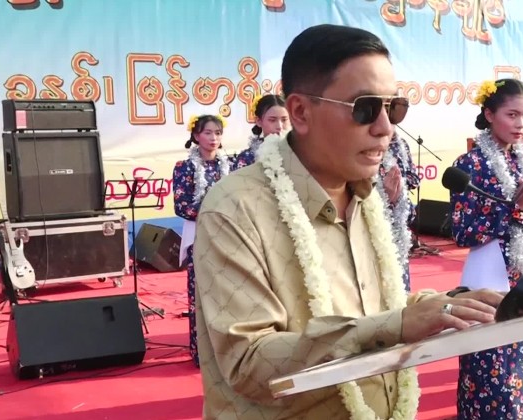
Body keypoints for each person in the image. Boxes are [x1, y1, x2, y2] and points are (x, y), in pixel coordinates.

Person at [192, 24, 503, 420]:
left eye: (394, 108)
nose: (386, 127)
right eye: (365, 108)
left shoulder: (364, 196)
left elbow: (378, 310)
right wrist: (396, 325)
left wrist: (445, 307)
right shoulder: (236, 208)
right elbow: (249, 362)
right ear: (300, 112)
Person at [450, 78, 523, 418]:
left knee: (520, 374)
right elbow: (462, 230)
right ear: (489, 114)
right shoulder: (470, 164)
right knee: (489, 372)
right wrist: (515, 210)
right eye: (512, 115)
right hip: (489, 281)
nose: (521, 124)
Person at [171, 114, 232, 368]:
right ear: (196, 136)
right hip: (201, 236)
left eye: (217, 133)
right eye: (208, 133)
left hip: (228, 236)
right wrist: (213, 211)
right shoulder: (184, 167)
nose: (213, 138)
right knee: (201, 292)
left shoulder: (229, 165)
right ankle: (202, 352)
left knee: (228, 292)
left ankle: (228, 351)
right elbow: (181, 205)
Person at [376, 132, 420, 291]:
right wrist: (385, 192)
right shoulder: (368, 146)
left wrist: (400, 181)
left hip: (400, 218)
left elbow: (414, 178)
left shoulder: (400, 145)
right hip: (377, 220)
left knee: (401, 288)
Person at [232, 93, 289, 170]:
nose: (279, 126)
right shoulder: (247, 158)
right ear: (259, 121)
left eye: (284, 120)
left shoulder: (299, 155)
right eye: (272, 120)